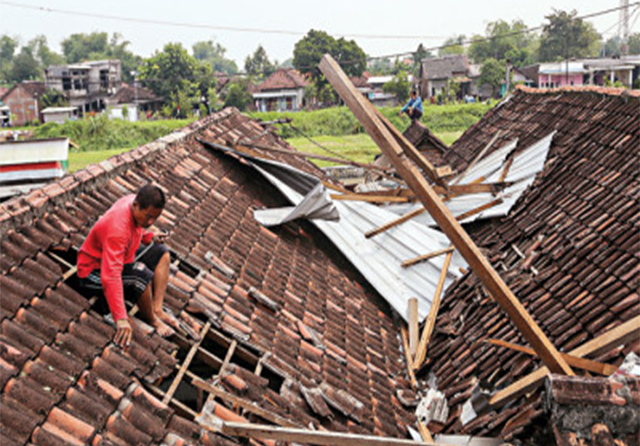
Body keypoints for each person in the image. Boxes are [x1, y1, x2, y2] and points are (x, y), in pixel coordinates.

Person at [77, 184, 179, 348]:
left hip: (122, 258)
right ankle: (153, 319)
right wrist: (121, 318)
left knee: (162, 253)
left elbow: (136, 231)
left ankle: (157, 308)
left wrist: (148, 236)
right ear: (136, 205)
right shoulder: (118, 229)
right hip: (93, 271)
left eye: (154, 218)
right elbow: (110, 276)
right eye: (148, 217)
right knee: (141, 275)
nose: (150, 222)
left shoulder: (134, 203)